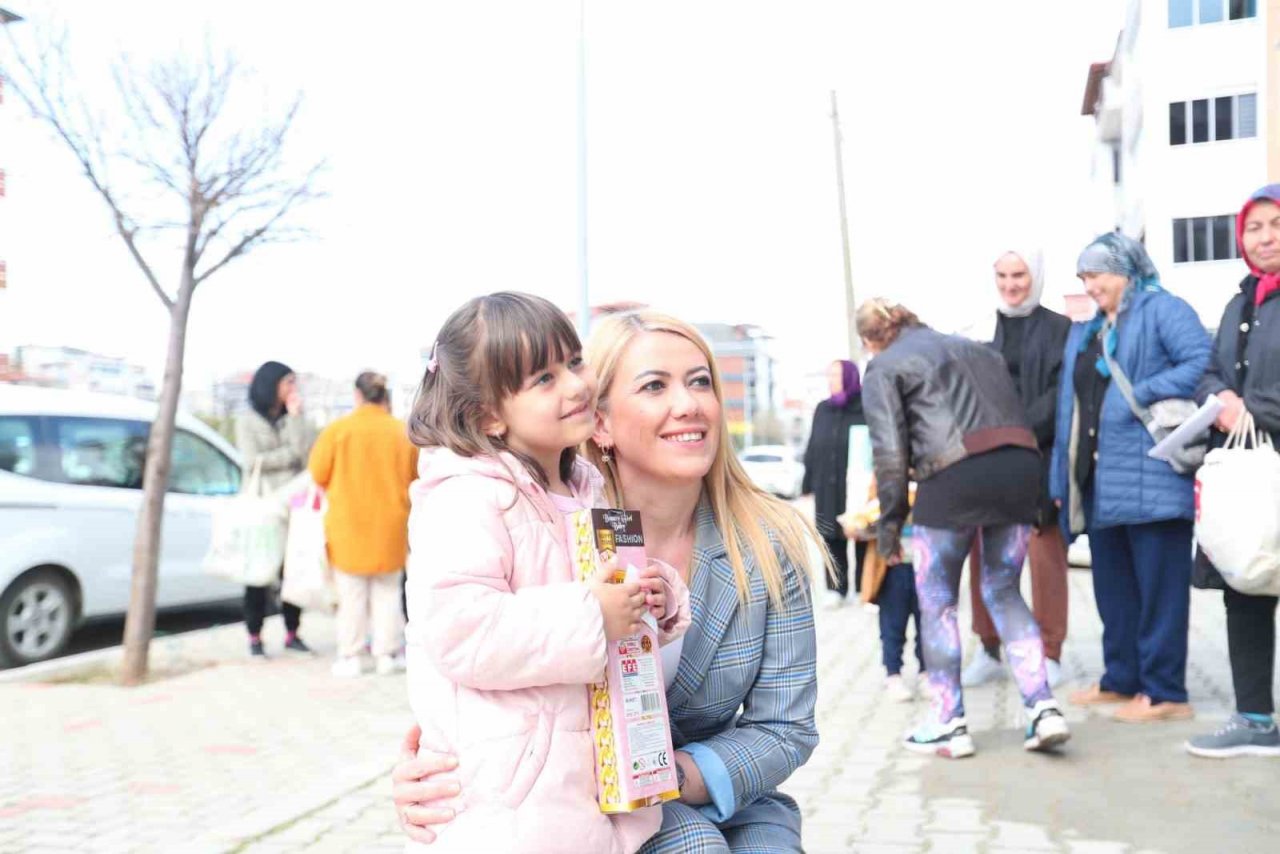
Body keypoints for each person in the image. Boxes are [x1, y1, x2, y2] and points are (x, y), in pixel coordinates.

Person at [394, 307, 824, 853]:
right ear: (600, 421)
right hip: (565, 801)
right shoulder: (553, 515)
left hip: (711, 791)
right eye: (654, 386)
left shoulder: (766, 543)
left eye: (700, 382)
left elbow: (786, 728)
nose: (687, 404)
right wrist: (428, 771)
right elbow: (468, 647)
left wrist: (668, 776)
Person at [401, 293, 691, 853]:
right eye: (543, 378)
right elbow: (461, 630)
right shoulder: (466, 498)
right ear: (487, 413)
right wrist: (593, 614)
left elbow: (606, 605)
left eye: (575, 362)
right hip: (511, 803)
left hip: (589, 784)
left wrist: (653, 594)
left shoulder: (585, 488)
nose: (576, 385)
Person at [858, 297, 1069, 758]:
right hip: (1020, 469)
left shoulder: (884, 367)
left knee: (937, 603)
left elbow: (890, 455)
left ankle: (948, 722)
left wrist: (889, 525)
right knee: (1005, 590)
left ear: (871, 340)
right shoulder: (979, 351)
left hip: (953, 476)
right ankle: (1043, 707)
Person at [1049, 232, 1211, 723]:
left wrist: (1140, 391)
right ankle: (1122, 679)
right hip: (1104, 484)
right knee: (1114, 592)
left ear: (1125, 271)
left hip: (1156, 479)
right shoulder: (1094, 328)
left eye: (1095, 274)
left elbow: (1202, 362)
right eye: (1083, 276)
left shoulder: (1165, 310)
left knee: (1160, 593)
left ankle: (1165, 694)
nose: (1089, 285)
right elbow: (1068, 410)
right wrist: (1063, 481)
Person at [1185, 185, 1280, 758]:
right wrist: (1218, 395)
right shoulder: (1237, 304)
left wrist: (1255, 410)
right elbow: (1209, 372)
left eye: (1274, 224)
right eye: (1254, 228)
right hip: (1251, 477)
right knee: (1246, 585)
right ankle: (1255, 718)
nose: (1265, 237)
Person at [963, 248, 1073, 690]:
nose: (1011, 285)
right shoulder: (979, 330)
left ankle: (1050, 650)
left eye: (1020, 275)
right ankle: (989, 646)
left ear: (1036, 275)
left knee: (1045, 557)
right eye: (1003, 276)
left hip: (1040, 458)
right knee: (985, 558)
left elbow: (1060, 396)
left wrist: (1017, 430)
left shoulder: (1060, 329)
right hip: (988, 461)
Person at [307, 371, 419, 678]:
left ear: (357, 396)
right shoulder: (401, 432)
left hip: (348, 528)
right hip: (391, 526)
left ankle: (351, 656)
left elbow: (317, 474)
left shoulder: (338, 431)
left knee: (351, 596)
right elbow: (415, 477)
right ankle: (387, 654)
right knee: (388, 594)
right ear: (385, 396)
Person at [236, 360, 315, 658]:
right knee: (257, 572)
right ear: (272, 385)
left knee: (293, 570)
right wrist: (290, 455)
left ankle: (293, 632)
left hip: (293, 506)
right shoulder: (247, 421)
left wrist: (296, 420)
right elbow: (253, 461)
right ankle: (254, 636)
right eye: (288, 383)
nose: (293, 389)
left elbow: (308, 455)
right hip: (261, 506)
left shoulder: (295, 416)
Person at [843, 477, 924, 703]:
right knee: (892, 625)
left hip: (925, 564)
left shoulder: (930, 471)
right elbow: (865, 518)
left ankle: (927, 672)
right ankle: (893, 674)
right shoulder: (883, 476)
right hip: (891, 566)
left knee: (926, 623)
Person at [802, 359, 867, 609]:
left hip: (855, 485)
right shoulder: (822, 409)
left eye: (836, 375)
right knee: (831, 536)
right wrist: (807, 485)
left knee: (860, 535)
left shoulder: (864, 408)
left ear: (850, 377)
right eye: (829, 375)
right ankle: (836, 589)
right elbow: (812, 446)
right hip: (826, 485)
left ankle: (863, 588)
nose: (830, 380)